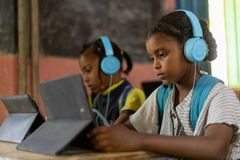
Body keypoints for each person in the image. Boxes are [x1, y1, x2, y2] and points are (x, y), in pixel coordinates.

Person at [87, 10, 240, 159]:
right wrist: (109, 135)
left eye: (162, 55)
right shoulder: (163, 95)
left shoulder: (219, 95)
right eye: (152, 58)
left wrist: (141, 141)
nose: (155, 65)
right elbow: (129, 127)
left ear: (192, 51)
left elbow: (214, 149)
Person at [79, 36, 145, 126]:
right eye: (83, 73)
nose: (85, 79)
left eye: (88, 70)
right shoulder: (95, 98)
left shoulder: (133, 95)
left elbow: (115, 132)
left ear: (109, 66)